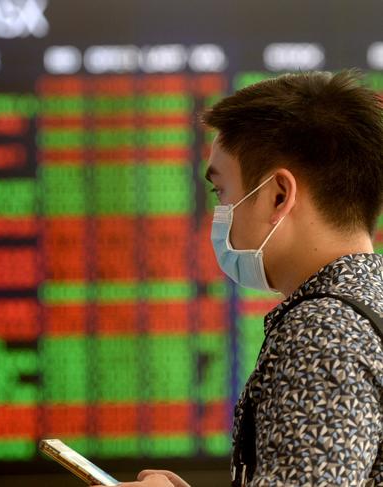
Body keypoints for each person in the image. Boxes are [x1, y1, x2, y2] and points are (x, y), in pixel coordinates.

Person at [95, 70, 383, 486]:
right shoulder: (367, 303)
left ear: (279, 195)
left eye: (222, 192)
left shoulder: (323, 331)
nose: (219, 214)